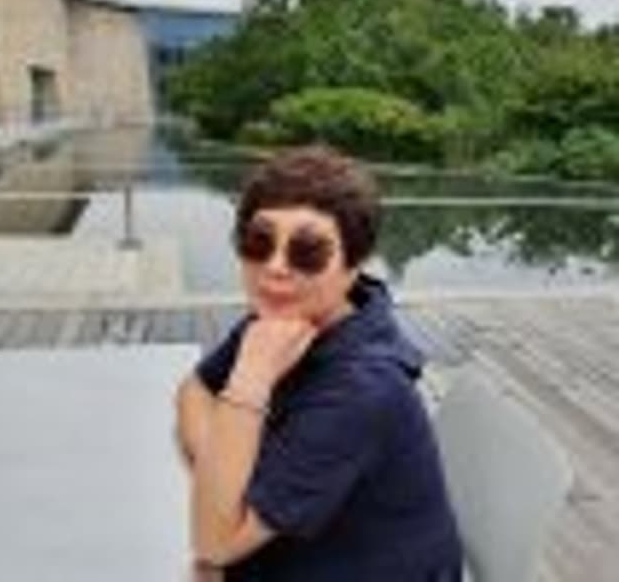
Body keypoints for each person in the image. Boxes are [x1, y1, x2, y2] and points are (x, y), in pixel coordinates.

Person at [176, 146, 463, 581]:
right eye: (258, 242)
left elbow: (213, 544)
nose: (275, 268)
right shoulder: (282, 316)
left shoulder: (363, 387)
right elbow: (195, 389)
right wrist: (219, 467)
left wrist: (249, 383)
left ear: (354, 264)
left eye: (307, 252)